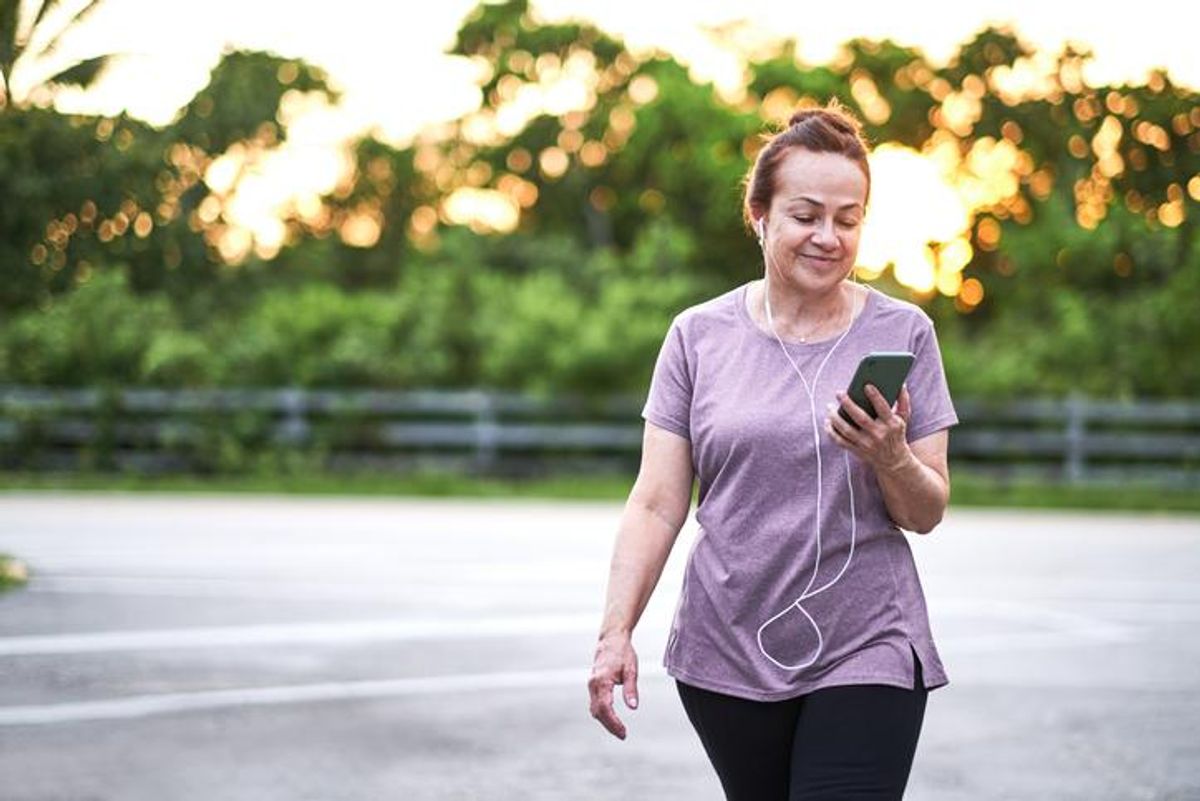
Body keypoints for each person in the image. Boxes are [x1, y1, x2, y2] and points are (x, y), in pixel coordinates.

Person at [587, 98, 959, 801]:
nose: (828, 236)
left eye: (848, 220)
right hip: (728, 645)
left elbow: (927, 509)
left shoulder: (903, 332)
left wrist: (890, 455)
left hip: (868, 638)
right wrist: (615, 633)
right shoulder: (697, 336)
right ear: (760, 216)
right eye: (806, 215)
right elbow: (657, 502)